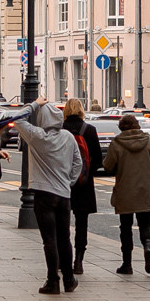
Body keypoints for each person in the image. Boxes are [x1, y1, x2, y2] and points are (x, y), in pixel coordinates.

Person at [14, 99, 82, 294]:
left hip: (44, 195)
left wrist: (34, 104)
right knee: (64, 238)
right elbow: (78, 163)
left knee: (49, 240)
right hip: (64, 195)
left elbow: (18, 119)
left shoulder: (37, 136)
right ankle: (69, 280)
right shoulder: (68, 137)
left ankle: (53, 280)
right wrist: (69, 181)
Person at [105, 114, 150, 274]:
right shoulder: (149, 141)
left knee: (125, 227)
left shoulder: (117, 143)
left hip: (125, 191)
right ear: (137, 126)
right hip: (146, 190)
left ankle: (127, 264)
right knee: (145, 223)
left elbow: (108, 166)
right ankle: (148, 246)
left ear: (121, 128)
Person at [61, 98, 102, 278]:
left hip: (61, 182)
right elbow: (98, 160)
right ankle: (78, 261)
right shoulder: (90, 130)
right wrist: (85, 174)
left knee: (61, 223)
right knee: (81, 223)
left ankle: (63, 260)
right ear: (81, 110)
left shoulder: (60, 130)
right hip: (83, 184)